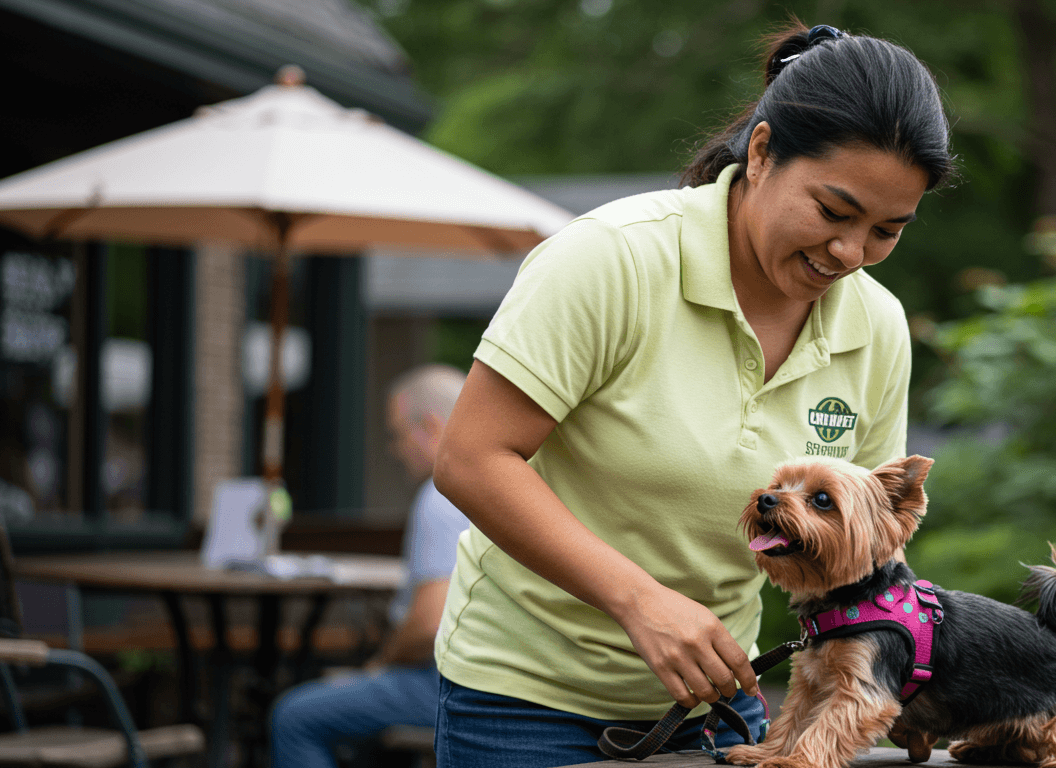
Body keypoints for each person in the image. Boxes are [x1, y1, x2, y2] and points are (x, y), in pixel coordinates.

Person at [432, 21, 955, 768]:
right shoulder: (610, 261)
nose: (850, 253)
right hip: (524, 705)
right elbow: (470, 458)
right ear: (765, 151)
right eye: (835, 213)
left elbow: (864, 553)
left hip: (720, 703)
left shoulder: (876, 326)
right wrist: (638, 600)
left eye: (886, 230)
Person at [270, 364, 472, 768]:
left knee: (294, 716)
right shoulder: (488, 484)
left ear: (430, 427)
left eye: (398, 435)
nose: (394, 450)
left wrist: (380, 664)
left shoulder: (439, 495)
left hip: (446, 683)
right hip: (486, 677)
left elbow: (430, 625)